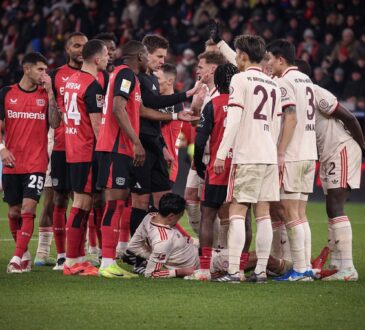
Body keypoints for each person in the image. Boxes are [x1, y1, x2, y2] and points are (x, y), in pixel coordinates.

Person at [213, 35, 282, 283]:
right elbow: (277, 123)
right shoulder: (272, 83)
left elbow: (233, 121)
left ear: (242, 55)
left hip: (248, 155)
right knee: (263, 213)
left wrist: (221, 154)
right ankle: (261, 271)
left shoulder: (239, 79)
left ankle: (233, 271)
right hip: (268, 155)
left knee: (237, 211)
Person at [296, 59, 364, 281]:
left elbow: (349, 116)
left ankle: (347, 268)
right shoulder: (298, 96)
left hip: (341, 148)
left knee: (335, 204)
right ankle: (337, 262)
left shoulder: (315, 92)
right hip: (328, 153)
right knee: (330, 206)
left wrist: (363, 147)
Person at [130, 34, 200, 248]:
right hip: (141, 147)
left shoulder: (150, 81)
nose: (162, 61)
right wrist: (187, 95)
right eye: (159, 56)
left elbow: (154, 110)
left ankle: (165, 245)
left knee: (161, 203)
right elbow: (147, 108)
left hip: (159, 151)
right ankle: (135, 249)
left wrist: (163, 148)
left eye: (163, 57)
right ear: (144, 55)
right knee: (140, 202)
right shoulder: (137, 78)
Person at [128, 193, 293, 279]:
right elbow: (152, 274)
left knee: (248, 255)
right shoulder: (163, 241)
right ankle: (292, 269)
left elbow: (133, 246)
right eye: (179, 216)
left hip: (203, 252)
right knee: (260, 257)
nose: (180, 219)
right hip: (209, 264)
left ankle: (285, 269)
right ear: (171, 216)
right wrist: (178, 272)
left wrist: (155, 258)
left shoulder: (150, 217)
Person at [0, 52, 60, 273]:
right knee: (14, 211)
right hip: (12, 162)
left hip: (36, 162)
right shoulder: (7, 94)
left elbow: (55, 123)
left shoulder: (45, 95)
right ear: (27, 69)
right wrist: (2, 149)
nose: (45, 74)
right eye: (40, 70)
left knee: (28, 208)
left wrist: (52, 94)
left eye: (46, 70)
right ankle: (23, 252)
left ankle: (16, 258)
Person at [96, 40, 148, 279]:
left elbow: (137, 109)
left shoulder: (122, 75)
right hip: (117, 147)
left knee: (117, 203)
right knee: (114, 204)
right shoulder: (126, 74)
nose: (148, 60)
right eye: (146, 55)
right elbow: (118, 108)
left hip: (117, 148)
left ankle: (109, 261)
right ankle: (107, 263)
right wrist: (136, 142)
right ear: (138, 56)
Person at [266, 39, 317, 281]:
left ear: (280, 60)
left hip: (294, 154)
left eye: (269, 59)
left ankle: (300, 269)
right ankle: (305, 267)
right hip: (309, 153)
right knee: (299, 213)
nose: (268, 63)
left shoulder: (284, 81)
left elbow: (291, 118)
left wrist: (280, 152)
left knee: (289, 212)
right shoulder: (306, 80)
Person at [62, 39, 108, 276]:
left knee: (81, 203)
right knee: (82, 204)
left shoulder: (71, 81)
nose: (109, 58)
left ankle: (77, 257)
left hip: (72, 148)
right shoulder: (92, 85)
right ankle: (71, 261)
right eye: (107, 54)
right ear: (97, 59)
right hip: (86, 149)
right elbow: (98, 126)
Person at [191, 63, 239, 281]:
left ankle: (203, 269)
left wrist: (200, 163)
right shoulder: (245, 105)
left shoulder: (213, 104)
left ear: (217, 82)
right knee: (242, 217)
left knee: (208, 216)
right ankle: (239, 268)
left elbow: (200, 141)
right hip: (241, 169)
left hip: (218, 169)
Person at [49, 32, 88, 270]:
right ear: (67, 49)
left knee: (83, 199)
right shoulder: (55, 76)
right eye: (76, 45)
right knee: (60, 198)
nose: (80, 49)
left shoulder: (93, 76)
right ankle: (62, 254)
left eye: (84, 45)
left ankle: (80, 252)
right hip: (62, 146)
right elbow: (53, 121)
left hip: (83, 147)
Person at [155, 63, 184, 185]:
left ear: (170, 81)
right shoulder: (154, 99)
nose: (154, 83)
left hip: (167, 164)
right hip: (151, 160)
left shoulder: (176, 104)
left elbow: (155, 119)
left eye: (157, 79)